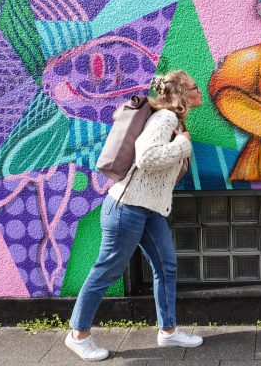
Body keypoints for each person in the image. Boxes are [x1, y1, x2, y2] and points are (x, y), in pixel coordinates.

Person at [65, 70, 203, 362]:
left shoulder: (172, 120)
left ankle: (168, 331)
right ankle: (78, 334)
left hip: (148, 210)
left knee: (166, 266)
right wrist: (183, 145)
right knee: (106, 270)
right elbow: (146, 157)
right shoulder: (165, 119)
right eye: (194, 86)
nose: (199, 90)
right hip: (127, 208)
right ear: (180, 92)